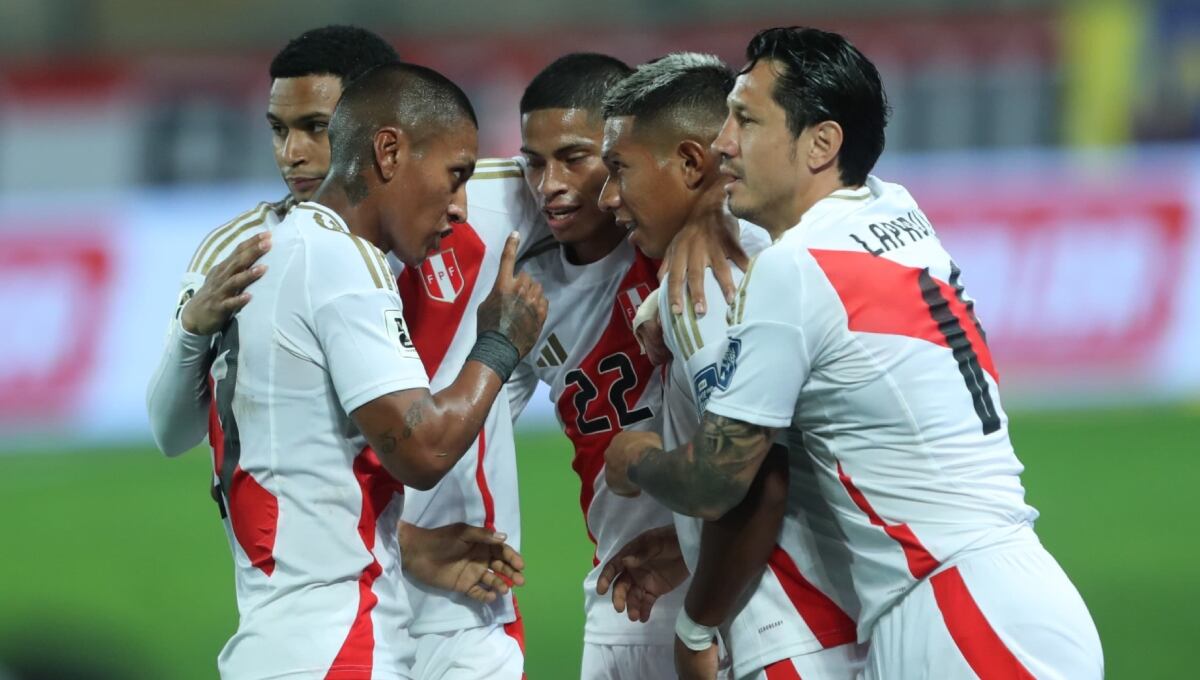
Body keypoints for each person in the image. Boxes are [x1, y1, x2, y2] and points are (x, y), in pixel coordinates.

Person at [606, 26, 1103, 679]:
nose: (726, 145)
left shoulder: (794, 270)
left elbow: (721, 480)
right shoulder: (898, 210)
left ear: (821, 143)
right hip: (998, 593)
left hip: (958, 614)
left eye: (747, 122)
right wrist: (708, 215)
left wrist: (637, 459)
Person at [205, 61, 547, 678]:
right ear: (388, 151)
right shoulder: (341, 265)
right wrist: (499, 343)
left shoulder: (279, 251)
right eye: (454, 175)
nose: (462, 206)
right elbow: (422, 450)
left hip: (276, 634)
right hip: (340, 641)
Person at [503, 52, 687, 679]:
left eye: (573, 158)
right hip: (620, 590)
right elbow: (472, 435)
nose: (547, 183)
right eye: (533, 162)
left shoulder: (691, 251)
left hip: (735, 572)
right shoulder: (525, 290)